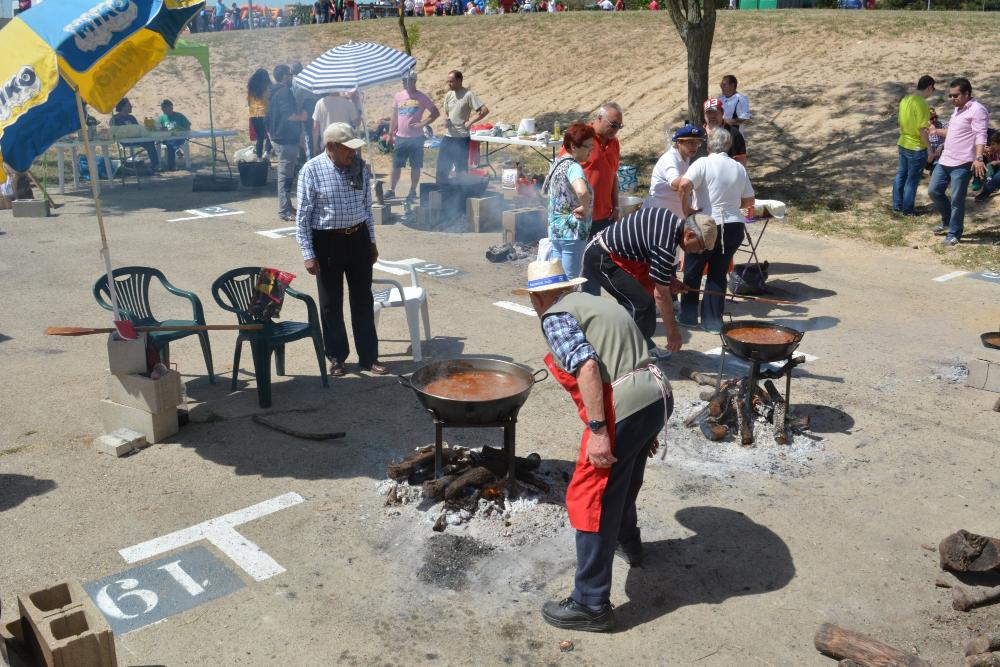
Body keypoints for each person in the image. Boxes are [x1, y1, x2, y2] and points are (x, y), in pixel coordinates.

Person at [513, 258, 673, 633]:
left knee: (590, 497)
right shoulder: (598, 303)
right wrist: (642, 431)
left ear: (538, 298)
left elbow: (586, 366)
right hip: (656, 395)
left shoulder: (555, 316)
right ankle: (629, 544)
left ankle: (590, 603)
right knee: (623, 477)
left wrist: (599, 430)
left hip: (625, 406)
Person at [296, 123, 388, 377]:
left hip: (357, 238)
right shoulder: (311, 171)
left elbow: (366, 208)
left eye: (354, 149)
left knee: (363, 300)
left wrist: (371, 241)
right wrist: (308, 253)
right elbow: (303, 217)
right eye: (347, 149)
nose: (352, 154)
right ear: (331, 147)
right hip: (327, 243)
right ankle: (337, 357)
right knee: (330, 304)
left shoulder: (359, 167)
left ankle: (369, 358)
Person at [583, 209, 716, 356]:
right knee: (639, 305)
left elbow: (649, 253)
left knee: (645, 303)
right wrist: (673, 333)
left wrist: (669, 279)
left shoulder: (671, 221)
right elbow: (662, 296)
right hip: (602, 257)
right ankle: (620, 355)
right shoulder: (666, 243)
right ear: (689, 234)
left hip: (620, 255)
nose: (699, 252)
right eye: (701, 246)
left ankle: (642, 345)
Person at [676, 127, 755, 334]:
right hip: (733, 226)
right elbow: (749, 200)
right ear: (728, 146)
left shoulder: (703, 163)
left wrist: (687, 210)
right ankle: (712, 320)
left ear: (709, 145)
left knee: (693, 270)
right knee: (718, 273)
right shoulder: (739, 168)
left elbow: (683, 185)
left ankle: (688, 315)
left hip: (707, 224)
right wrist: (730, 205)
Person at [927, 77, 990, 245]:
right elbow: (952, 132)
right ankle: (947, 220)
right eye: (950, 96)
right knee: (934, 191)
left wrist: (978, 157)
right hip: (945, 159)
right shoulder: (958, 109)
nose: (952, 99)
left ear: (967, 93)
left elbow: (980, 135)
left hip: (963, 163)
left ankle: (954, 233)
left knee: (957, 199)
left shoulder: (978, 110)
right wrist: (935, 131)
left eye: (956, 96)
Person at [573, 102, 623, 294]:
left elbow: (613, 175)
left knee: (600, 265)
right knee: (582, 267)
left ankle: (593, 306)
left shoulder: (614, 143)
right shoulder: (582, 138)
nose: (616, 130)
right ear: (599, 119)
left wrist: (616, 206)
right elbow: (566, 169)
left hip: (605, 216)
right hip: (582, 215)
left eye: (619, 126)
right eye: (613, 125)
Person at [543, 123, 596, 280]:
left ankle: (556, 305)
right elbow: (582, 190)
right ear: (574, 146)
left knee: (557, 279)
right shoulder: (574, 167)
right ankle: (568, 304)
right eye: (587, 147)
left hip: (556, 230)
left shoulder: (557, 164)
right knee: (571, 281)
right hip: (572, 233)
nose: (590, 151)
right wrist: (585, 208)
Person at [388, 72, 440, 202]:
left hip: (416, 138)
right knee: (396, 165)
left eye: (405, 80)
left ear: (413, 81)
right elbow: (394, 116)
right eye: (403, 80)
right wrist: (390, 134)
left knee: (415, 166)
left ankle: (412, 191)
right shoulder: (398, 96)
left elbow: (435, 113)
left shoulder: (421, 97)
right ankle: (391, 190)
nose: (403, 82)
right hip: (400, 137)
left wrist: (422, 124)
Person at [266, 64, 308, 221]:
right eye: (289, 74)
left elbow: (267, 118)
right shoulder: (283, 92)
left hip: (280, 138)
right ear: (284, 76)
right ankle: (284, 210)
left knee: (287, 174)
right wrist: (302, 117)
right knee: (285, 176)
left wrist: (271, 136)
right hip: (285, 139)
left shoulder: (273, 92)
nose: (291, 77)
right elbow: (288, 115)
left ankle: (287, 206)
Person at [891, 74, 935, 216]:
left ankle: (897, 205)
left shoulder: (905, 99)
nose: (931, 93)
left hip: (903, 142)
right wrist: (929, 148)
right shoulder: (922, 103)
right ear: (929, 87)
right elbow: (922, 129)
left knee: (901, 174)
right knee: (912, 179)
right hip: (916, 146)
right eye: (932, 90)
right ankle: (908, 210)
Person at [643, 124, 706, 219]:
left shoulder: (686, 157)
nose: (695, 146)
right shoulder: (670, 158)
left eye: (697, 143)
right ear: (679, 142)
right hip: (659, 215)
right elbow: (675, 184)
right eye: (690, 142)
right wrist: (695, 172)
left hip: (673, 213)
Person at [437, 70, 489, 183]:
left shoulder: (468, 94)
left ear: (459, 80)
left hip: (461, 139)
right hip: (448, 137)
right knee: (442, 168)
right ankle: (442, 192)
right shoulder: (449, 95)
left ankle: (461, 195)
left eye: (451, 81)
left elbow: (484, 110)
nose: (448, 84)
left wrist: (470, 122)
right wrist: (445, 120)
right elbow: (446, 112)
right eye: (448, 81)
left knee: (461, 170)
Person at [110, 98, 160, 172]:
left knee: (150, 142)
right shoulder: (115, 119)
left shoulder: (131, 117)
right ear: (123, 107)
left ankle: (155, 166)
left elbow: (137, 129)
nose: (131, 107)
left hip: (137, 139)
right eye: (129, 105)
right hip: (125, 141)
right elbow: (116, 132)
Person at [313, 92, 362, 157]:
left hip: (328, 144)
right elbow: (357, 122)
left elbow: (315, 128)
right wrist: (356, 103)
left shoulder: (320, 103)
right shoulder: (348, 103)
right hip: (345, 143)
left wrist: (315, 146)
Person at [703, 98, 746, 165]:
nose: (712, 116)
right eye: (709, 113)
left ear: (722, 112)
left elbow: (741, 162)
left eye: (715, 112)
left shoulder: (734, 133)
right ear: (704, 115)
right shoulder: (697, 133)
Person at [719, 75, 751, 154]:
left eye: (724, 84)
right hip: (720, 138)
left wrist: (726, 122)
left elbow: (746, 120)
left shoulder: (741, 99)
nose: (721, 86)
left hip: (734, 139)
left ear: (732, 85)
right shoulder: (720, 98)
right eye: (721, 84)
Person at [157, 99, 191, 172]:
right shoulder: (162, 118)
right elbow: (157, 128)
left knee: (171, 145)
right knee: (170, 144)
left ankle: (171, 166)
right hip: (166, 138)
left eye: (170, 108)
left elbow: (187, 127)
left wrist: (179, 129)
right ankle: (175, 156)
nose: (169, 110)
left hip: (179, 138)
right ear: (163, 109)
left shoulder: (179, 116)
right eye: (166, 109)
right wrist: (162, 129)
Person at [247, 68, 273, 160]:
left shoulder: (251, 85)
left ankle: (259, 158)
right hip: (265, 113)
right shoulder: (267, 85)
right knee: (270, 134)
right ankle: (267, 152)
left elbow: (249, 101)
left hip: (254, 113)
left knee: (260, 137)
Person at [974, 132, 1000, 203]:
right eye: (991, 144)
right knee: (986, 163)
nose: (991, 146)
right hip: (997, 170)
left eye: (993, 144)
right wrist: (987, 154)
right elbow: (990, 162)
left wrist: (997, 162)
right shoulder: (995, 151)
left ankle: (986, 191)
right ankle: (988, 181)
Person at [926, 107, 945, 173]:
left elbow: (950, 135)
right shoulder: (921, 128)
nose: (934, 120)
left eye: (936, 117)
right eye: (931, 118)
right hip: (926, 155)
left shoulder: (942, 124)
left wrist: (935, 130)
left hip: (939, 155)